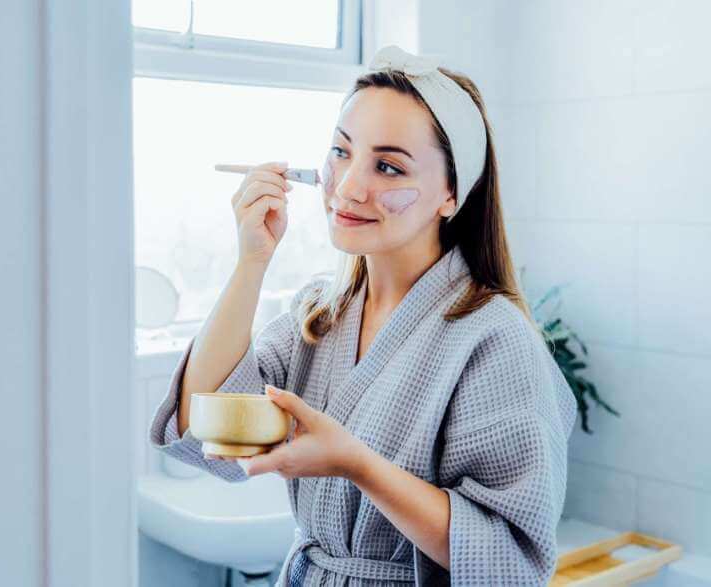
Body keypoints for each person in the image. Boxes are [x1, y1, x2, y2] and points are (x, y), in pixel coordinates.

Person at [149, 44, 578, 586]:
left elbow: (510, 558)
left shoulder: (494, 340)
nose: (348, 187)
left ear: (451, 193)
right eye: (341, 152)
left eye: (387, 166)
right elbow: (206, 422)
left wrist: (356, 463)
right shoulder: (318, 318)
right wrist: (251, 262)